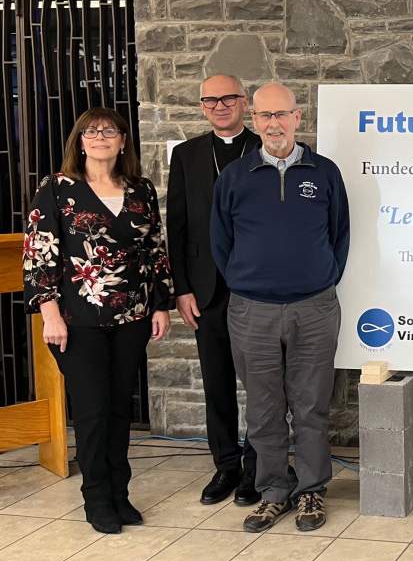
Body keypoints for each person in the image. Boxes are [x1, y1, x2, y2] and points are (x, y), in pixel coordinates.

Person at [22, 109, 173, 534]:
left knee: (118, 409)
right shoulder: (56, 189)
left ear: (123, 141)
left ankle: (120, 494)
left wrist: (159, 304)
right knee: (91, 411)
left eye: (109, 131)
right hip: (76, 319)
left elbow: (154, 252)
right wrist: (49, 313)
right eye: (92, 131)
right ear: (80, 141)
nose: (101, 137)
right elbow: (39, 255)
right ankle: (97, 498)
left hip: (132, 316)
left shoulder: (140, 190)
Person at [211, 82, 349, 533]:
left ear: (298, 117)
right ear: (254, 120)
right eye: (264, 115)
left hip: (314, 308)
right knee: (264, 410)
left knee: (311, 406)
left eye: (281, 114)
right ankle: (273, 492)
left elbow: (339, 235)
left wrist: (319, 278)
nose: (273, 123)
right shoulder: (234, 177)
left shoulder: (324, 173)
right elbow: (221, 242)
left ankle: (311, 491)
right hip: (253, 311)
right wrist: (248, 280)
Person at [167, 74, 262, 507]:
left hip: (257, 289)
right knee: (216, 384)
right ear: (202, 107)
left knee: (264, 384)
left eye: (228, 98)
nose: (220, 106)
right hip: (206, 291)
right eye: (210, 101)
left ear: (244, 103)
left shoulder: (266, 149)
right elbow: (178, 226)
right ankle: (227, 465)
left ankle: (258, 467)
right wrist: (181, 289)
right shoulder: (186, 155)